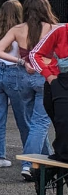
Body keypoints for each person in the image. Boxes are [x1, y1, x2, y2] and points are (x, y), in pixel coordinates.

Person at [0, 0, 59, 177]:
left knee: (30, 122)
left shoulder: (18, 29)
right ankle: (28, 164)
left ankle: (44, 158)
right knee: (40, 122)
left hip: (24, 77)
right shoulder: (53, 29)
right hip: (45, 77)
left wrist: (21, 61)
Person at [29, 17, 68, 163]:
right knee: (62, 120)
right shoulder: (60, 31)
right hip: (61, 81)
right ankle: (62, 154)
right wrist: (49, 75)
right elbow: (34, 54)